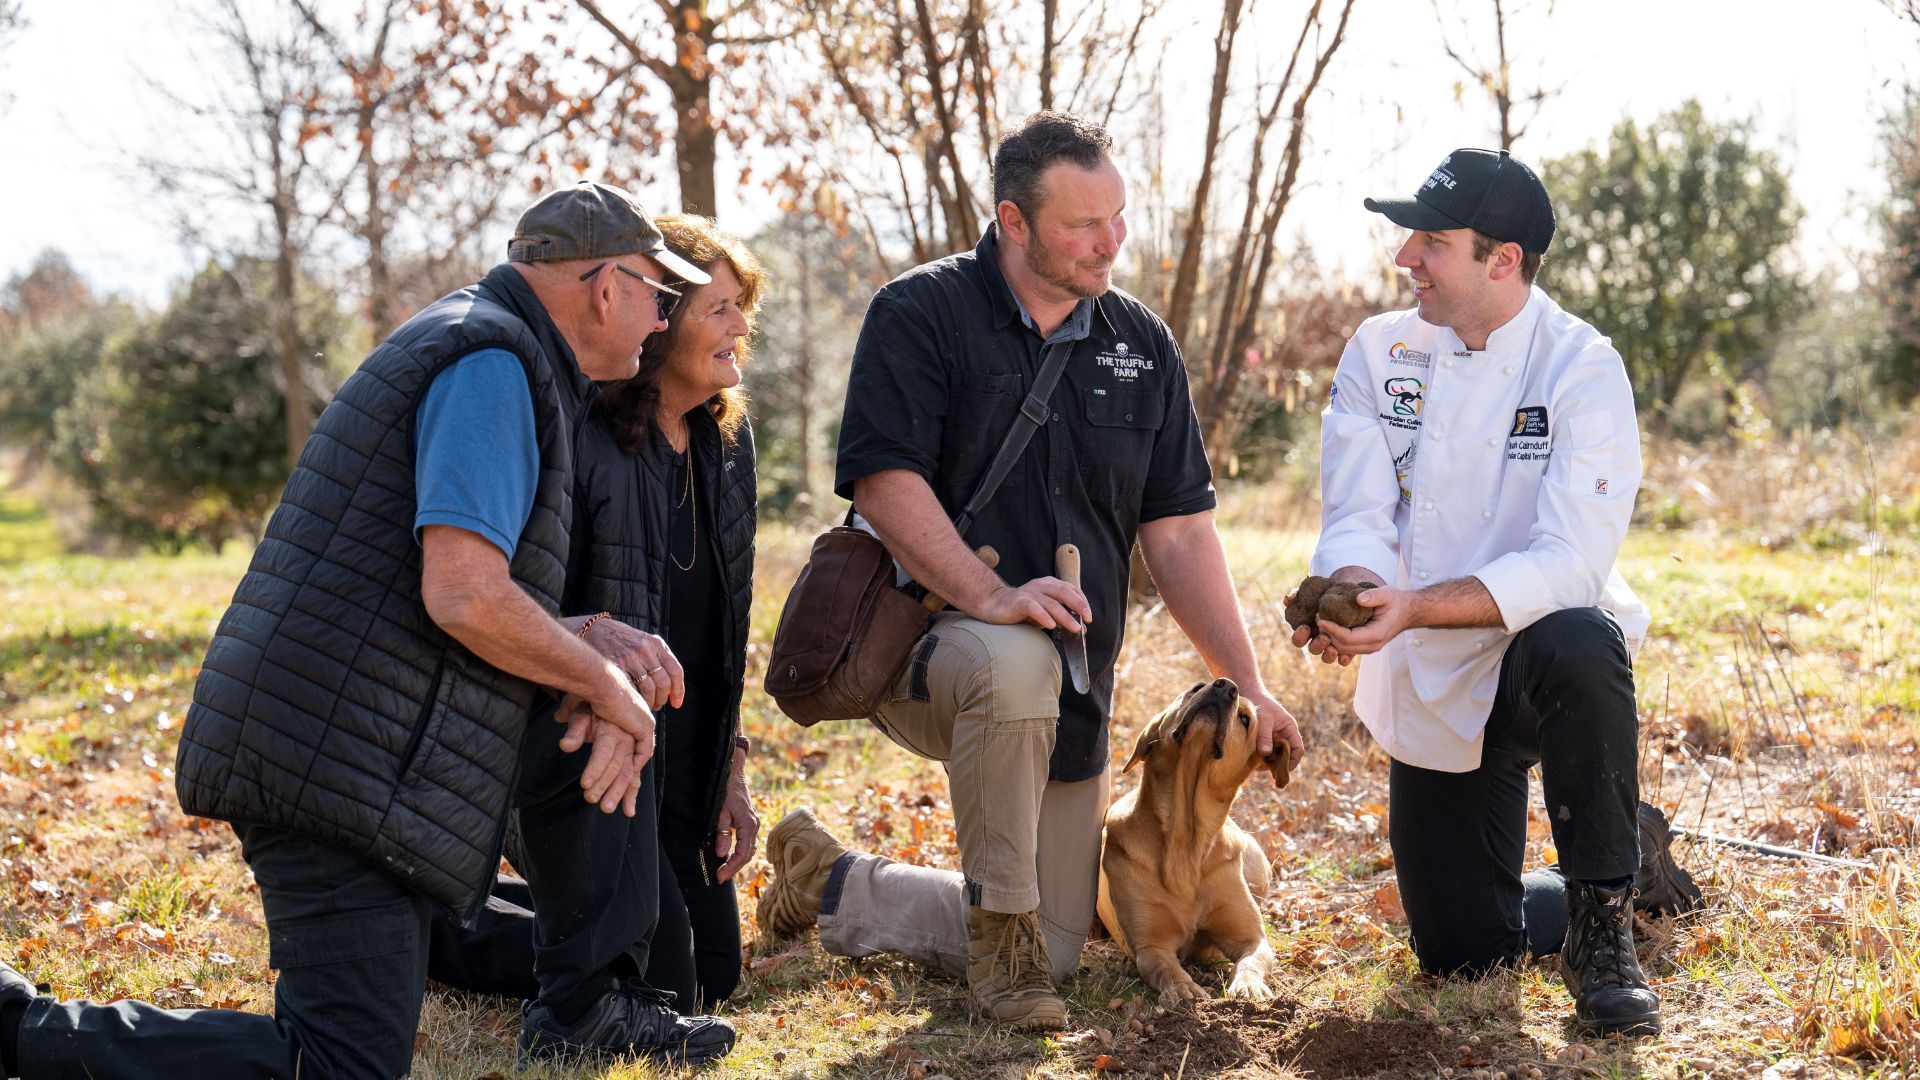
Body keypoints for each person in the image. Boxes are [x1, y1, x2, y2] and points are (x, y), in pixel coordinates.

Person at [0, 182, 738, 1078]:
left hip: (372, 754)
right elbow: (461, 595)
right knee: (341, 1066)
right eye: (658, 296)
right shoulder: (493, 364)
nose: (662, 320)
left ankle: (589, 1006)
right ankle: (18, 1031)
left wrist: (592, 646)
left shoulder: (505, 352)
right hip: (329, 770)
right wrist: (596, 677)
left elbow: (455, 587)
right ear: (603, 287)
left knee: (607, 697)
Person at [758, 110, 1305, 1033]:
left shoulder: (1141, 343)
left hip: (1076, 693)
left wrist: (1250, 691)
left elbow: (1178, 536)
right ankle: (996, 954)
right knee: (1016, 659)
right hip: (928, 650)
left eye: (1119, 216)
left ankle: (832, 880)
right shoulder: (919, 314)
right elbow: (887, 489)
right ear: (1012, 222)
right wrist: (994, 597)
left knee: (1055, 941)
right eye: (1082, 225)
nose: (1111, 241)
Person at [1294, 147, 1701, 1038]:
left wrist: (1413, 605)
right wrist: (1355, 596)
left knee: (1582, 638)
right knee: (1462, 949)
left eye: (1431, 242)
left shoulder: (1581, 368)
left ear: (1502, 259)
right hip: (1433, 674)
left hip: (1538, 663)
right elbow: (1359, 516)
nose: (1406, 258)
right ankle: (1641, 861)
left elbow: (1568, 564)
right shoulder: (1380, 352)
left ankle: (1604, 933)